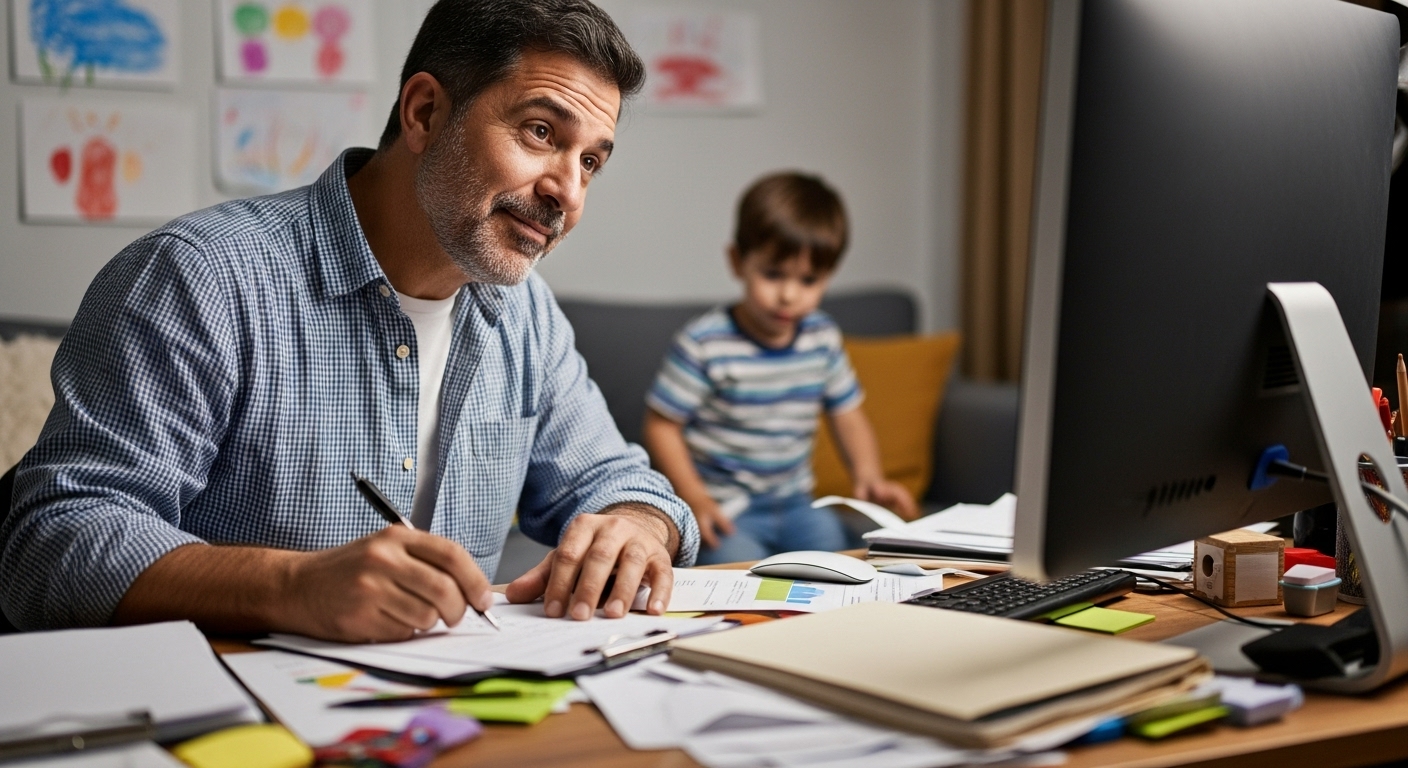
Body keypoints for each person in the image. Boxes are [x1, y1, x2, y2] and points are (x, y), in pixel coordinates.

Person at [0, 0, 700, 639]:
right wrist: (289, 586)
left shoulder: (525, 314)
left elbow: (619, 483)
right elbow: (52, 538)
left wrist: (638, 526)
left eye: (591, 163)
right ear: (424, 113)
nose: (566, 192)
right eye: (541, 132)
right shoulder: (200, 277)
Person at [642, 172, 917, 565]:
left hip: (797, 504)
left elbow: (848, 415)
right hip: (728, 510)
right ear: (738, 262)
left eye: (808, 280)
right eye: (773, 274)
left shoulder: (822, 338)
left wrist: (869, 475)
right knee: (733, 572)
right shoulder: (705, 342)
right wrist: (695, 497)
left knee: (842, 562)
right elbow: (661, 424)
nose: (789, 295)